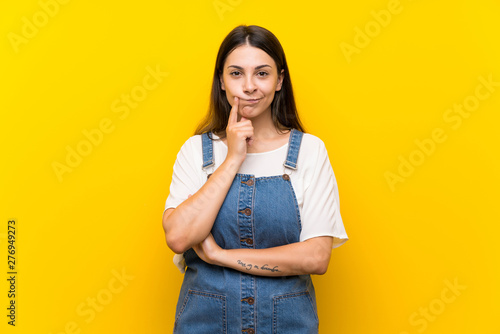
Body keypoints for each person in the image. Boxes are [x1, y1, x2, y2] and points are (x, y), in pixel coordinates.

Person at [162, 24, 349, 334]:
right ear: (221, 81)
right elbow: (179, 238)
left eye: (262, 73)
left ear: (279, 81)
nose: (249, 86)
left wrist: (221, 256)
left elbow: (316, 257)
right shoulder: (196, 151)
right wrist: (233, 157)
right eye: (236, 74)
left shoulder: (309, 151)